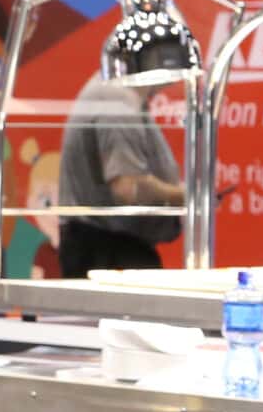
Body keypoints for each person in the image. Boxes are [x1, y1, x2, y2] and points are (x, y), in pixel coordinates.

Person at [56, 73, 185, 275]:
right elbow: (128, 187)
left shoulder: (121, 97)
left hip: (110, 246)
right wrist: (183, 196)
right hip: (106, 250)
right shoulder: (117, 99)